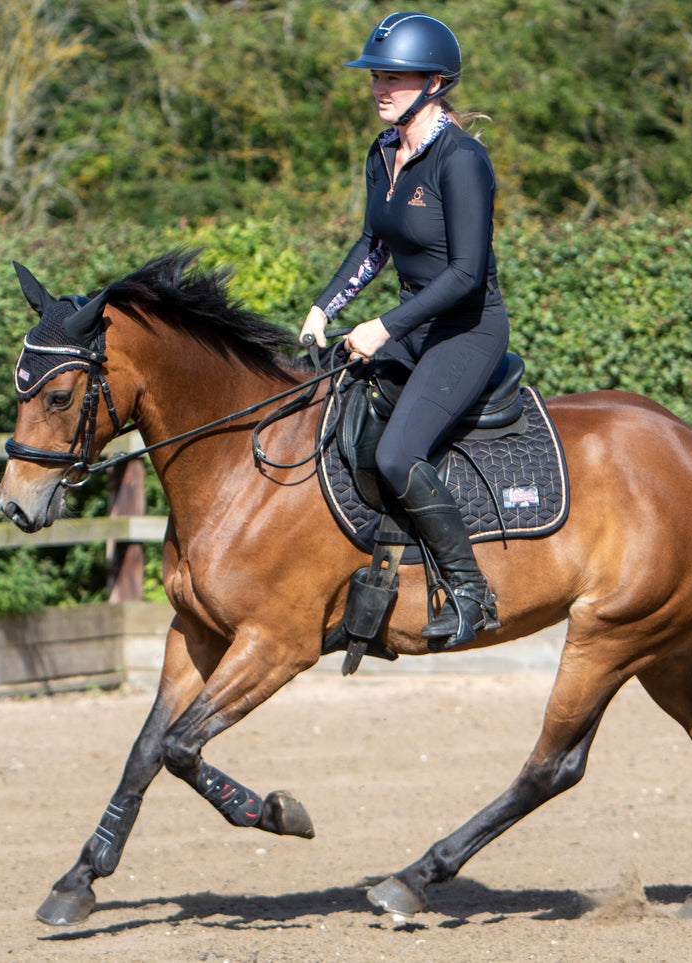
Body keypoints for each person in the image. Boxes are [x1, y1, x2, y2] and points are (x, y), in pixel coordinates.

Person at [300, 11, 507, 648]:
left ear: (434, 83)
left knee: (395, 453)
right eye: (376, 76)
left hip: (466, 331)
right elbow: (373, 245)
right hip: (414, 326)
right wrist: (324, 308)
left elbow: (467, 275)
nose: (379, 87)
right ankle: (370, 588)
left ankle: (473, 594)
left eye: (394, 76)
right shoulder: (384, 152)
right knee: (337, 417)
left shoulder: (462, 161)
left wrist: (383, 327)